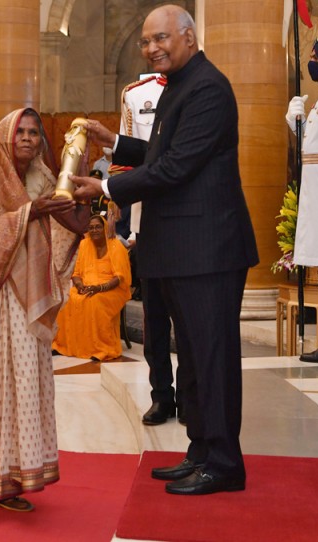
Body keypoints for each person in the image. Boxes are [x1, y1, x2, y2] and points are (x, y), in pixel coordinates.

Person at [71, 4, 259, 496]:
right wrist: (117, 141)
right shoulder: (181, 85)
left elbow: (176, 169)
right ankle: (200, 450)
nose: (151, 47)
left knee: (212, 357)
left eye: (161, 39)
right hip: (183, 249)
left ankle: (224, 463)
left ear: (189, 37)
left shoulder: (209, 88)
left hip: (208, 251)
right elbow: (162, 153)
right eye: (146, 41)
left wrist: (107, 188)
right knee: (192, 359)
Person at [0, 107, 90, 530]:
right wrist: (29, 213)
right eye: (19, 132)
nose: (26, 138)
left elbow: (73, 221)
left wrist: (82, 188)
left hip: (24, 302)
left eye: (33, 132)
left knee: (14, 391)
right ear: (8, 136)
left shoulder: (45, 178)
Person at [119, 72, 186, 425]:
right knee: (154, 316)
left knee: (187, 316)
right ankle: (161, 394)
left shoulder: (197, 90)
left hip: (187, 219)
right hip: (147, 218)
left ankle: (189, 395)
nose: (155, 47)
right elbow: (127, 157)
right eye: (150, 40)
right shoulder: (135, 94)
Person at [286, 37, 318, 367]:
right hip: (316, 195)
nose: (311, 63)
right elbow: (311, 149)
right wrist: (295, 124)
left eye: (316, 57)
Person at [53, 214, 131, 361]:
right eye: (91, 228)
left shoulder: (116, 246)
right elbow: (76, 273)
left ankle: (100, 348)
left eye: (98, 227)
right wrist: (80, 285)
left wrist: (99, 288)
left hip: (112, 290)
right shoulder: (84, 244)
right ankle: (65, 346)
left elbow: (120, 278)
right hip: (87, 286)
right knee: (66, 300)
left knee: (94, 302)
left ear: (105, 229)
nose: (94, 230)